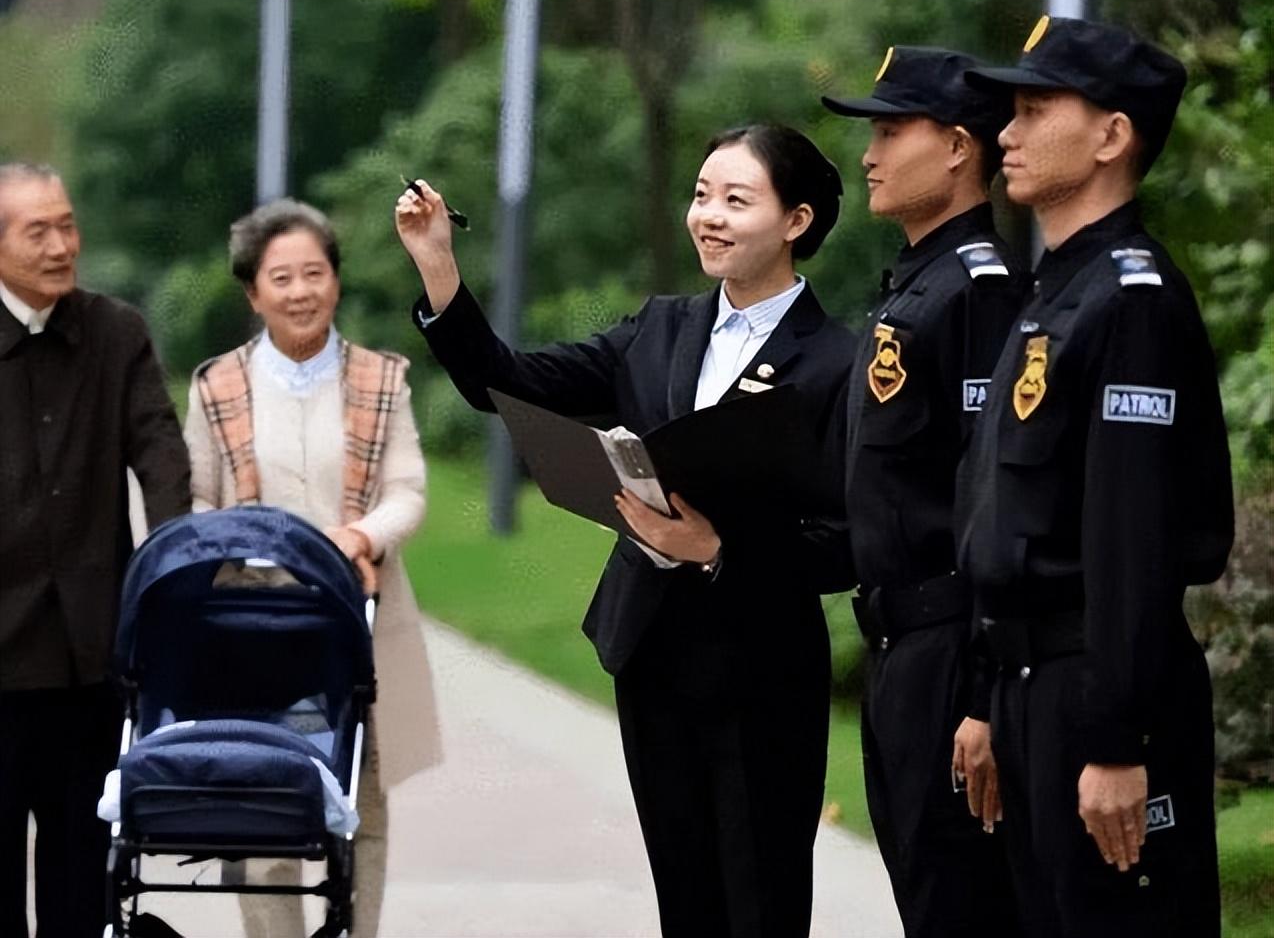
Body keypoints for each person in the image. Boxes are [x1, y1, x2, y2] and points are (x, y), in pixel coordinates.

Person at [396, 124, 855, 938]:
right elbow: (509, 384)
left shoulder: (840, 362)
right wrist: (439, 266)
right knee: (685, 900)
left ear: (796, 221)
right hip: (653, 654)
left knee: (761, 904)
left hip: (764, 675)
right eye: (702, 194)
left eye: (736, 200)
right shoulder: (660, 328)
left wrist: (719, 549)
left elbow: (853, 538)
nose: (708, 215)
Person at [955, 16, 1234, 938]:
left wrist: (1120, 740)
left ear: (1112, 135)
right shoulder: (1056, 294)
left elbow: (1132, 542)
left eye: (1036, 110)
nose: (1007, 133)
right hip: (1032, 683)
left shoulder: (1131, 300)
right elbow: (1008, 514)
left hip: (1098, 696)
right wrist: (989, 694)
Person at [184, 198, 441, 937]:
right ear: (253, 292)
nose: (301, 292)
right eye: (282, 277)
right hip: (250, 621)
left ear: (335, 280)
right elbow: (199, 496)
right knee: (257, 798)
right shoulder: (217, 385)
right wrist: (231, 542)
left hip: (357, 617)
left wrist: (358, 538)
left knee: (359, 799)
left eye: (315, 273)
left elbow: (408, 491)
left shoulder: (381, 379)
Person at [820, 46, 1025, 936]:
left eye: (891, 129)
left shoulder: (979, 292)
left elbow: (997, 504)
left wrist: (982, 693)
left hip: (951, 653)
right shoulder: (919, 282)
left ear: (956, 147)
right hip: (900, 648)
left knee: (962, 905)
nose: (869, 152)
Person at [0, 162, 191, 937]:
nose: (60, 244)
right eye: (36, 230)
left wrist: (177, 564)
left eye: (67, 225)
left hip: (91, 663)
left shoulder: (117, 333)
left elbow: (161, 452)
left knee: (87, 882)